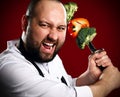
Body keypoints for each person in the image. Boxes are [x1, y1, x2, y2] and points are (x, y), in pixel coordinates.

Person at [0, 0, 120, 97]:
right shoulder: (9, 69)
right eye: (45, 25)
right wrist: (108, 83)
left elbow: (62, 86)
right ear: (25, 23)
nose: (53, 36)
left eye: (61, 28)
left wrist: (89, 77)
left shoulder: (47, 54)